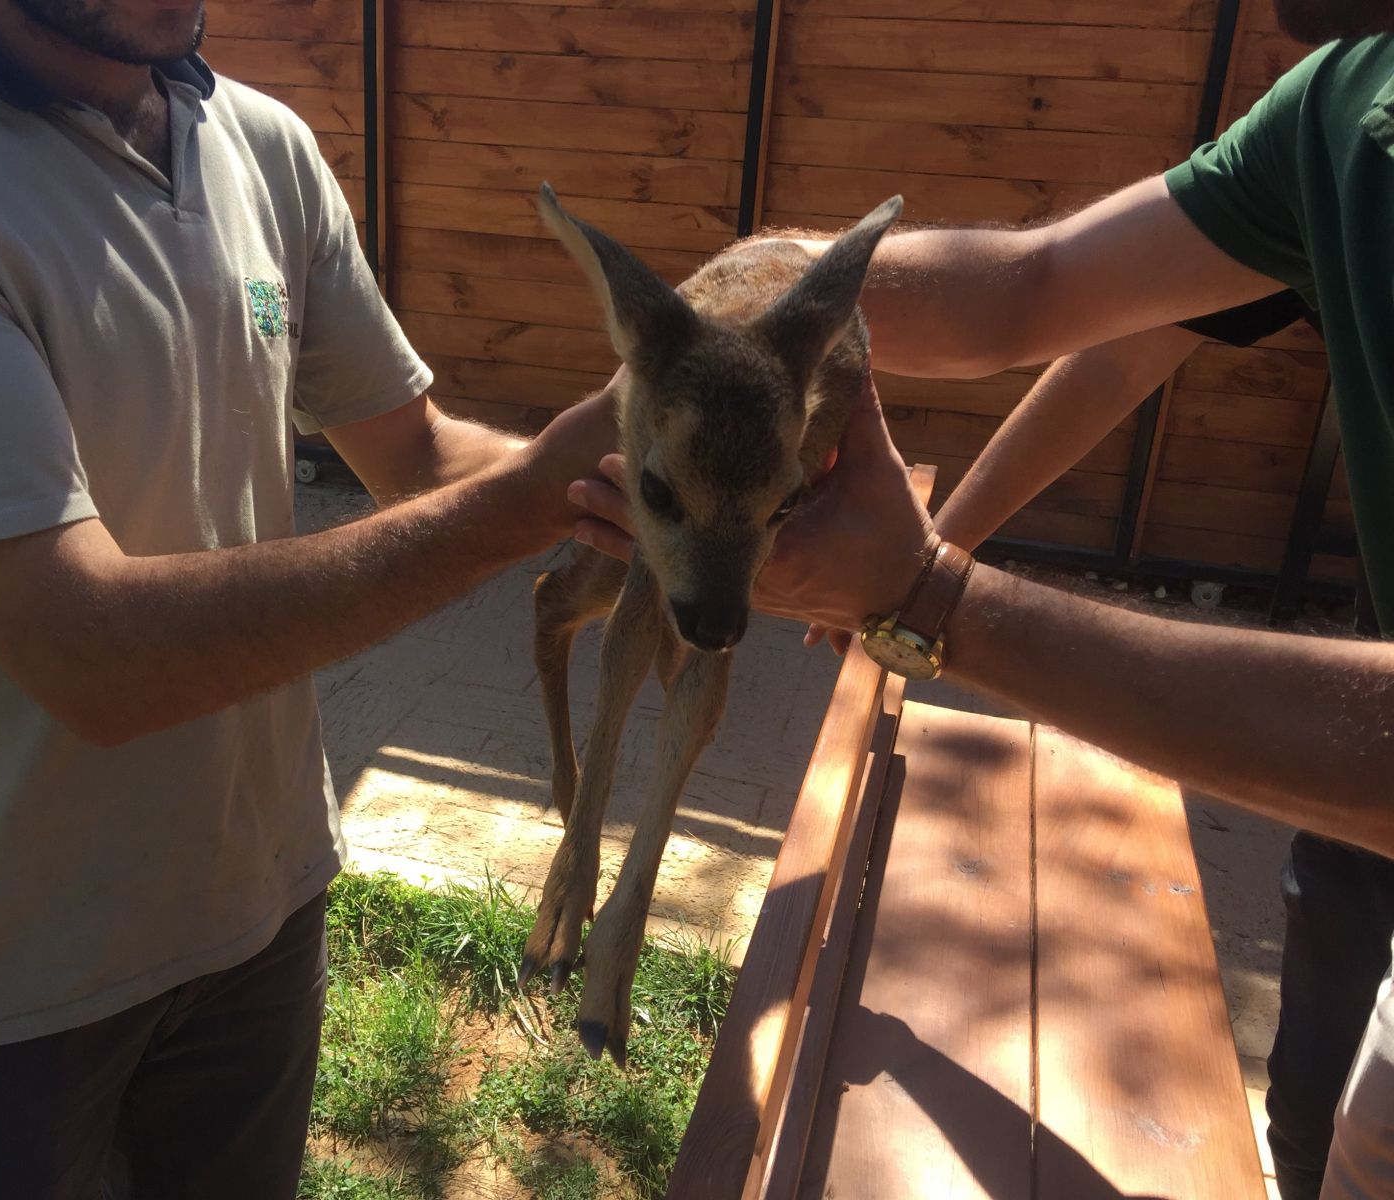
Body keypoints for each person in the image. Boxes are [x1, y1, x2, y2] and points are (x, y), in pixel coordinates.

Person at [568, 3, 1394, 1194]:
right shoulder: (1341, 100)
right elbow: (1054, 297)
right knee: (1324, 1137)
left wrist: (930, 598)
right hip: (1353, 831)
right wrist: (748, 298)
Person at [0, 0, 612, 1196]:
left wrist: (650, 481)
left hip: (257, 911)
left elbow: (420, 456)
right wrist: (530, 505)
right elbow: (92, 654)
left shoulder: (257, 141)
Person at [929, 291, 1394, 1200]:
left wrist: (936, 605)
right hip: (1351, 820)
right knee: (1310, 1114)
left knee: (1370, 1140)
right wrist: (936, 556)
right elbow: (1080, 300)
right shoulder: (1347, 157)